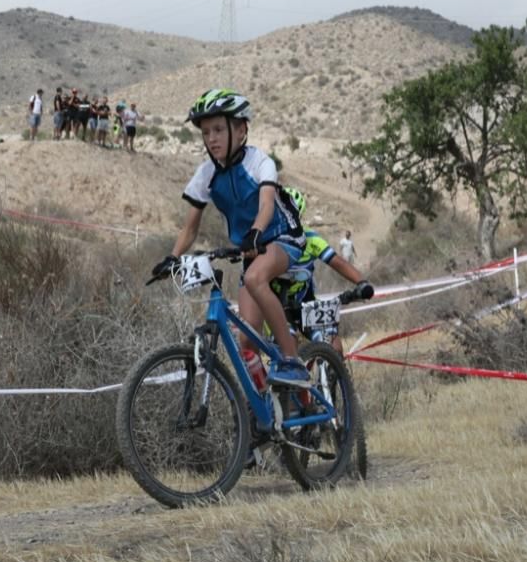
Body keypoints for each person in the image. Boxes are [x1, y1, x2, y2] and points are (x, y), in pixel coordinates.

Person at [150, 89, 309, 385]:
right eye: (206, 132)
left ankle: (293, 362)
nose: (212, 138)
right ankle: (264, 410)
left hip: (284, 237)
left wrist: (254, 233)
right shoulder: (206, 173)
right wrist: (172, 257)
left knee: (253, 279)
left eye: (219, 129)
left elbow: (266, 206)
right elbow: (190, 229)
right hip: (252, 251)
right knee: (246, 340)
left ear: (241, 129)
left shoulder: (259, 162)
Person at [272, 189, 372, 356]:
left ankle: (334, 379)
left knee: (334, 347)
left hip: (305, 301)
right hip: (277, 305)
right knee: (290, 347)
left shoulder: (311, 238)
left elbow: (337, 262)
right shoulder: (270, 241)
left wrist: (362, 282)